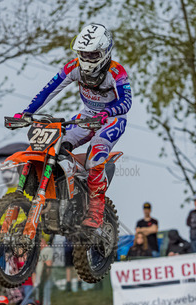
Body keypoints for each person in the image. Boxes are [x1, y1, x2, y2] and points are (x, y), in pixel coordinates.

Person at [15, 23, 131, 228]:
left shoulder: (116, 71)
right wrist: (27, 113)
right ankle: (63, 192)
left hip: (112, 118)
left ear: (105, 52)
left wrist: (107, 112)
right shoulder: (73, 67)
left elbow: (126, 101)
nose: (87, 58)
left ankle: (95, 210)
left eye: (92, 54)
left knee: (96, 155)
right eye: (83, 53)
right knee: (56, 143)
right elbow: (48, 90)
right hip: (87, 115)